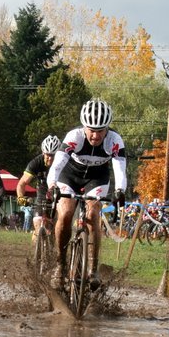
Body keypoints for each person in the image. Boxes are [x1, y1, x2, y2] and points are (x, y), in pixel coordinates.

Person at [47, 99, 128, 288]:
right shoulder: (74, 136)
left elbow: (120, 170)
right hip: (70, 176)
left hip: (97, 178)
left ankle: (93, 269)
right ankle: (60, 264)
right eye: (91, 130)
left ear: (107, 128)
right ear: (84, 127)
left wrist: (120, 191)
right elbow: (57, 164)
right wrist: (52, 185)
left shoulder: (114, 140)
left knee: (93, 214)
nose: (96, 135)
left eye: (101, 130)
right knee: (66, 212)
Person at [17, 135, 61, 240]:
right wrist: (20, 197)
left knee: (58, 227)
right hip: (43, 190)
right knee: (37, 223)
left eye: (53, 155)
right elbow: (22, 183)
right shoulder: (36, 162)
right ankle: (37, 245)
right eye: (48, 155)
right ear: (43, 152)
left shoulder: (63, 162)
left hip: (59, 192)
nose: (50, 158)